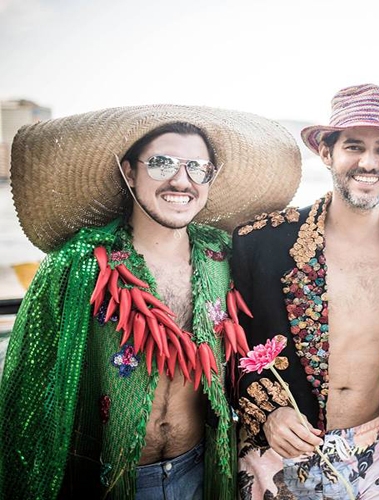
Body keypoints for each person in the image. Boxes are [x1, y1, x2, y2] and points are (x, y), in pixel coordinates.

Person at [0, 105, 301, 499]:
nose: (182, 180)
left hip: (201, 471)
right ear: (129, 172)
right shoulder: (76, 266)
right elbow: (27, 391)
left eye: (198, 168)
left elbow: (302, 254)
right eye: (162, 164)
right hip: (106, 481)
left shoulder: (226, 257)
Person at [232, 83, 379, 499]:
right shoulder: (265, 242)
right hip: (282, 454)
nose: (369, 161)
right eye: (354, 147)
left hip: (374, 452)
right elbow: (224, 347)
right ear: (326, 153)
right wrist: (267, 412)